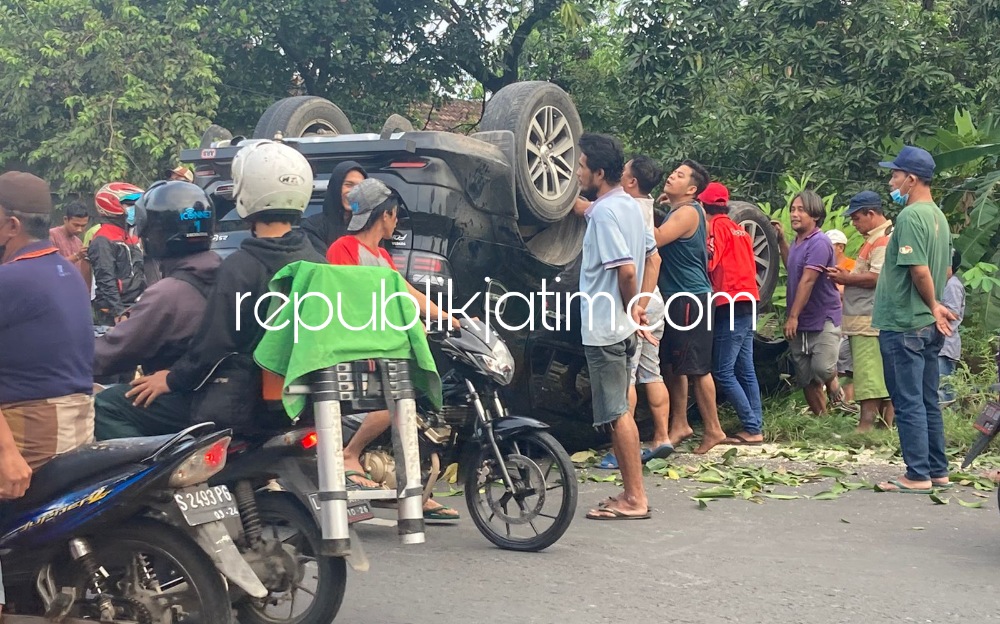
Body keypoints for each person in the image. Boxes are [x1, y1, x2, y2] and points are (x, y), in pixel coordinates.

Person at [124, 141, 325, 433]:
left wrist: (171, 379)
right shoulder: (319, 263)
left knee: (112, 405)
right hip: (305, 403)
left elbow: (213, 345)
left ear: (246, 194)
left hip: (244, 406)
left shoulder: (240, 267)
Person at [326, 177, 463, 520]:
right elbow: (348, 304)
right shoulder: (343, 249)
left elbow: (408, 295)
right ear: (384, 215)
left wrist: (451, 318)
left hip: (385, 346)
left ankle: (416, 491)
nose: (397, 220)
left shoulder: (383, 256)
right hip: (357, 350)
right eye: (394, 214)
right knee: (398, 401)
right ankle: (350, 453)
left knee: (414, 411)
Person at [0, 171, 96, 615]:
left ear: (11, 225)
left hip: (30, 427)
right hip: (74, 423)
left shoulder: (13, 280)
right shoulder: (65, 271)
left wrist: (6, 452)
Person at [93, 181, 221, 439]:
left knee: (106, 404)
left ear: (156, 234)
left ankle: (154, 465)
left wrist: (65, 358)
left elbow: (113, 353)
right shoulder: (228, 272)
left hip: (191, 398)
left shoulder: (168, 293)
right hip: (228, 393)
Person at [574, 133, 660, 521]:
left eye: (581, 166)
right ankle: (631, 492)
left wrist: (630, 309)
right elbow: (653, 259)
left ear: (599, 173)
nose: (577, 172)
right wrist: (639, 308)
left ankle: (634, 499)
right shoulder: (629, 206)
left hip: (607, 329)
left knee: (616, 413)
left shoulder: (606, 214)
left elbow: (626, 270)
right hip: (622, 329)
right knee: (620, 409)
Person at [871, 146, 955, 493]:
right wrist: (935, 306)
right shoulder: (939, 217)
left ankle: (917, 474)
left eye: (895, 175)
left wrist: (932, 303)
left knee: (907, 401)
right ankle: (938, 471)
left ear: (911, 179)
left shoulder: (909, 217)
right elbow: (945, 270)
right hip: (928, 327)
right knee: (926, 399)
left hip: (904, 321)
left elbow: (919, 269)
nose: (891, 182)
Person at [653, 160, 728, 454]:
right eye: (674, 172)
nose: (672, 176)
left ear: (692, 189)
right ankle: (681, 424)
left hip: (690, 298)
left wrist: (639, 206)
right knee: (675, 366)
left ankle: (714, 429)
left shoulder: (686, 212)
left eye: (680, 175)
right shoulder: (682, 210)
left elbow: (657, 239)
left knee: (697, 368)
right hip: (677, 296)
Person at [701, 182, 764, 445]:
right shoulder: (740, 230)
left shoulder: (715, 227)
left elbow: (710, 261)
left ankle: (751, 426)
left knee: (723, 372)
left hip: (730, 303)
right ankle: (755, 427)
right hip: (749, 300)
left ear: (703, 206)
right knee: (746, 369)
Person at [773, 191, 845, 415]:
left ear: (815, 215)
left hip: (822, 317)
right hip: (801, 320)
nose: (794, 214)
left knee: (822, 368)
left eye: (801, 210)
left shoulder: (819, 242)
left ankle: (833, 382)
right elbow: (793, 267)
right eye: (792, 209)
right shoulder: (798, 242)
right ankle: (823, 421)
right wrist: (782, 241)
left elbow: (808, 280)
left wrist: (792, 316)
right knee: (806, 378)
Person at [828, 191, 895, 431]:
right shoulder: (876, 238)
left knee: (868, 375)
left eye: (857, 218)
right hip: (868, 318)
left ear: (871, 213)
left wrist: (846, 278)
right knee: (879, 375)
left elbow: (877, 277)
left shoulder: (882, 240)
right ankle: (885, 426)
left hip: (868, 319)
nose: (854, 224)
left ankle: (865, 425)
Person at [88, 182, 146, 326]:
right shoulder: (103, 240)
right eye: (129, 204)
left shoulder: (127, 236)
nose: (134, 208)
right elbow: (105, 279)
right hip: (114, 313)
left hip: (133, 307)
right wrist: (119, 312)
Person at [302, 161, 368, 255]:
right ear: (336, 187)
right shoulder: (313, 226)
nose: (355, 191)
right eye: (349, 185)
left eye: (360, 187)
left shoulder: (369, 227)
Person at [938, 249, 965, 404]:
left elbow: (953, 313)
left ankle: (948, 415)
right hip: (940, 345)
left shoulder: (952, 284)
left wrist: (932, 308)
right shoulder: (942, 283)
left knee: (944, 389)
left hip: (945, 345)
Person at [49, 201, 90, 274]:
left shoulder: (78, 242)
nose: (79, 229)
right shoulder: (51, 236)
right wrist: (77, 256)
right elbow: (52, 266)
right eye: (76, 225)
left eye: (83, 226)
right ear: (65, 219)